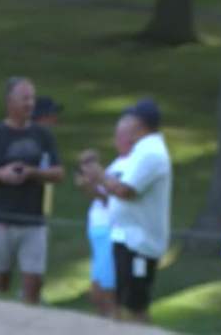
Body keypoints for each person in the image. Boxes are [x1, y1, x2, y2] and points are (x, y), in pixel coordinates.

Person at [0, 77, 64, 304]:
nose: (29, 104)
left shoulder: (43, 135)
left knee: (34, 281)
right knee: (0, 279)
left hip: (33, 220)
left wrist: (33, 173)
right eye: (24, 98)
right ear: (9, 102)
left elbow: (59, 173)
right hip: (1, 219)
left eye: (31, 98)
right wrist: (1, 174)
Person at [82, 99, 172, 323]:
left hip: (140, 244)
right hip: (127, 238)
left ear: (140, 124)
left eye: (130, 118)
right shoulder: (141, 151)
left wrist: (100, 174)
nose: (125, 123)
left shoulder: (152, 153)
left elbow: (125, 190)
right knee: (125, 302)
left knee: (135, 306)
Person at [75, 117, 135, 317]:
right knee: (99, 290)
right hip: (99, 231)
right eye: (117, 135)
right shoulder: (117, 163)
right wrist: (89, 184)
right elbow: (103, 197)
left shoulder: (134, 165)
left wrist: (98, 174)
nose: (117, 139)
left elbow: (120, 198)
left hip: (112, 231)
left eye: (122, 135)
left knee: (105, 291)